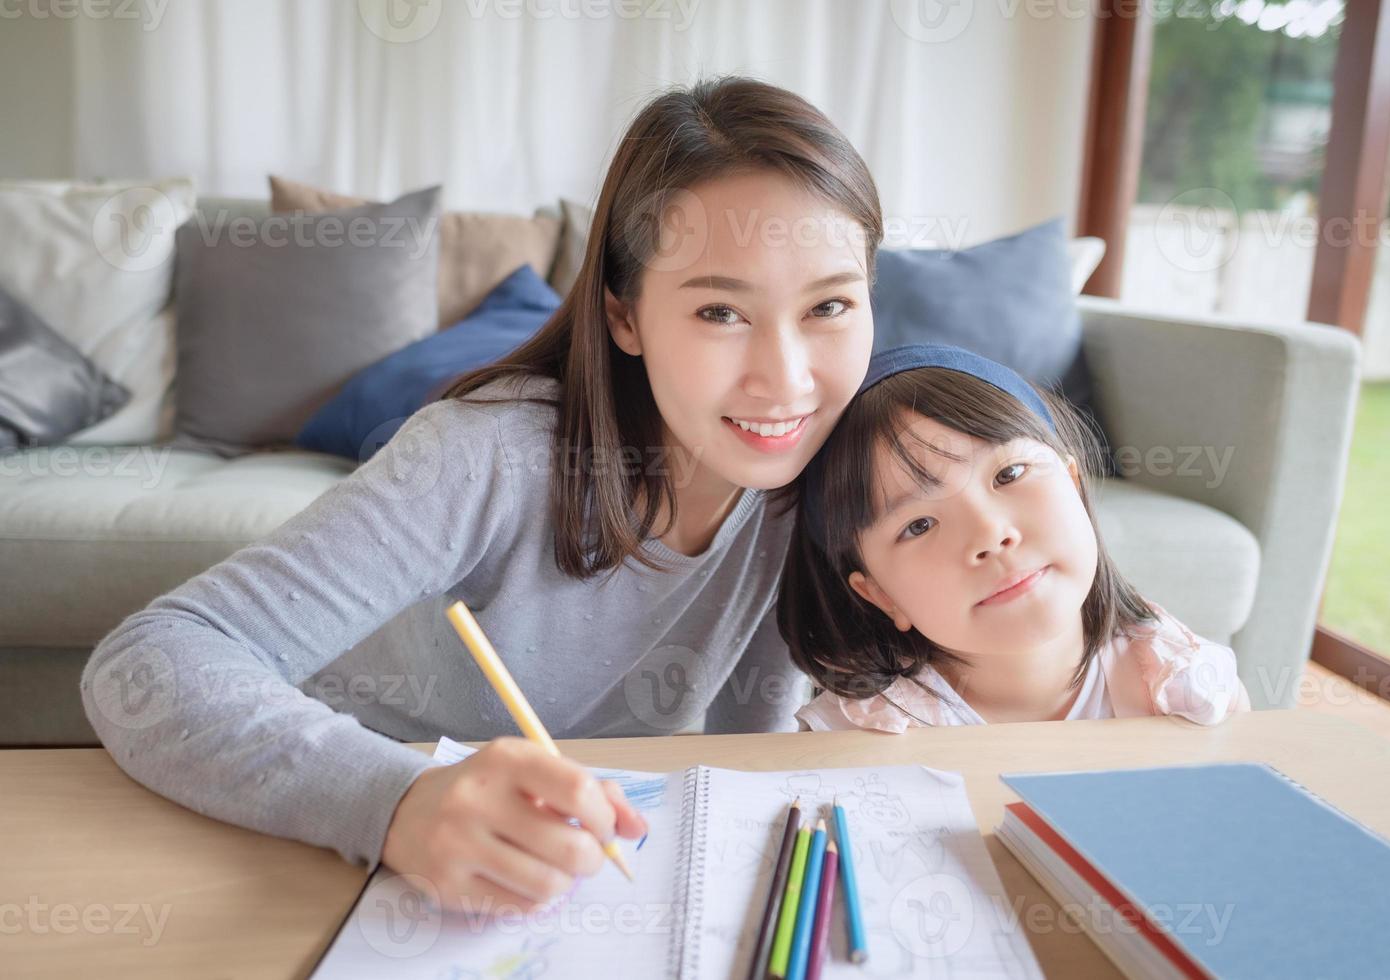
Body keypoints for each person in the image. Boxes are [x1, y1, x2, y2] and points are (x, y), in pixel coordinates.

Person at [81, 75, 881, 913]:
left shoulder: (819, 466)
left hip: (562, 861)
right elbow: (148, 660)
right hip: (331, 832)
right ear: (625, 318)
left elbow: (749, 745)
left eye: (829, 304)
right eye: (721, 311)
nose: (786, 381)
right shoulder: (484, 456)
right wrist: (396, 802)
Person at [777, 344, 1251, 733]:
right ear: (879, 594)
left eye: (1010, 473)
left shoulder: (1185, 686)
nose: (990, 534)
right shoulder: (862, 731)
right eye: (918, 525)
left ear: (1074, 482)